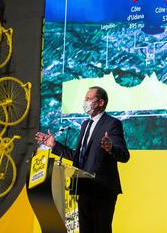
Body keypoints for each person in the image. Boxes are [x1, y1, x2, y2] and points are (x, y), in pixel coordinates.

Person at [35, 86, 130, 233]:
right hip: (83, 187)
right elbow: (77, 157)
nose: (84, 102)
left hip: (102, 189)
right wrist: (54, 145)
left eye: (88, 99)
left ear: (100, 102)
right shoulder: (85, 124)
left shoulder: (112, 124)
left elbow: (124, 155)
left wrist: (111, 147)